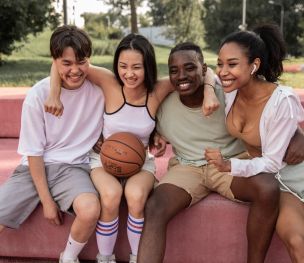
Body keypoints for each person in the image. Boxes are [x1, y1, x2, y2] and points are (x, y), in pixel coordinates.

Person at [45, 33, 219, 263]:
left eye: (136, 67)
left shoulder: (158, 89)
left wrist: (208, 92)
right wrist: (54, 95)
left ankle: (138, 257)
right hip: (102, 160)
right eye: (123, 66)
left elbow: (207, 71)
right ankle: (105, 258)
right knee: (111, 194)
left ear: (147, 66)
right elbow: (59, 63)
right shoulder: (109, 81)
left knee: (136, 197)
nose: (129, 73)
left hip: (140, 162)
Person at [137, 42, 303, 263]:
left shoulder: (228, 93)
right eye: (174, 70)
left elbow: (270, 110)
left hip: (230, 164)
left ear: (204, 70)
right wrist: (154, 135)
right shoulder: (163, 104)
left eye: (189, 68)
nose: (181, 75)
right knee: (155, 207)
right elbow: (135, 122)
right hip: (188, 167)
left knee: (266, 186)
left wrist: (298, 134)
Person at [0, 25, 104, 263]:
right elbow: (34, 153)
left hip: (73, 167)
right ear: (54, 62)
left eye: (82, 62)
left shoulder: (99, 89)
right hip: (33, 168)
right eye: (66, 63)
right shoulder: (38, 95)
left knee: (90, 210)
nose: (75, 70)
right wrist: (47, 201)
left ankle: (67, 258)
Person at [205, 24, 304, 263]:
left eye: (232, 64)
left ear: (254, 65)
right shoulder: (231, 90)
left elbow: (271, 162)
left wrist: (230, 166)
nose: (223, 71)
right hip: (279, 185)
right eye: (220, 63)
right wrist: (209, 90)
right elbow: (204, 71)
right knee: (297, 241)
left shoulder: (281, 101)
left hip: (294, 174)